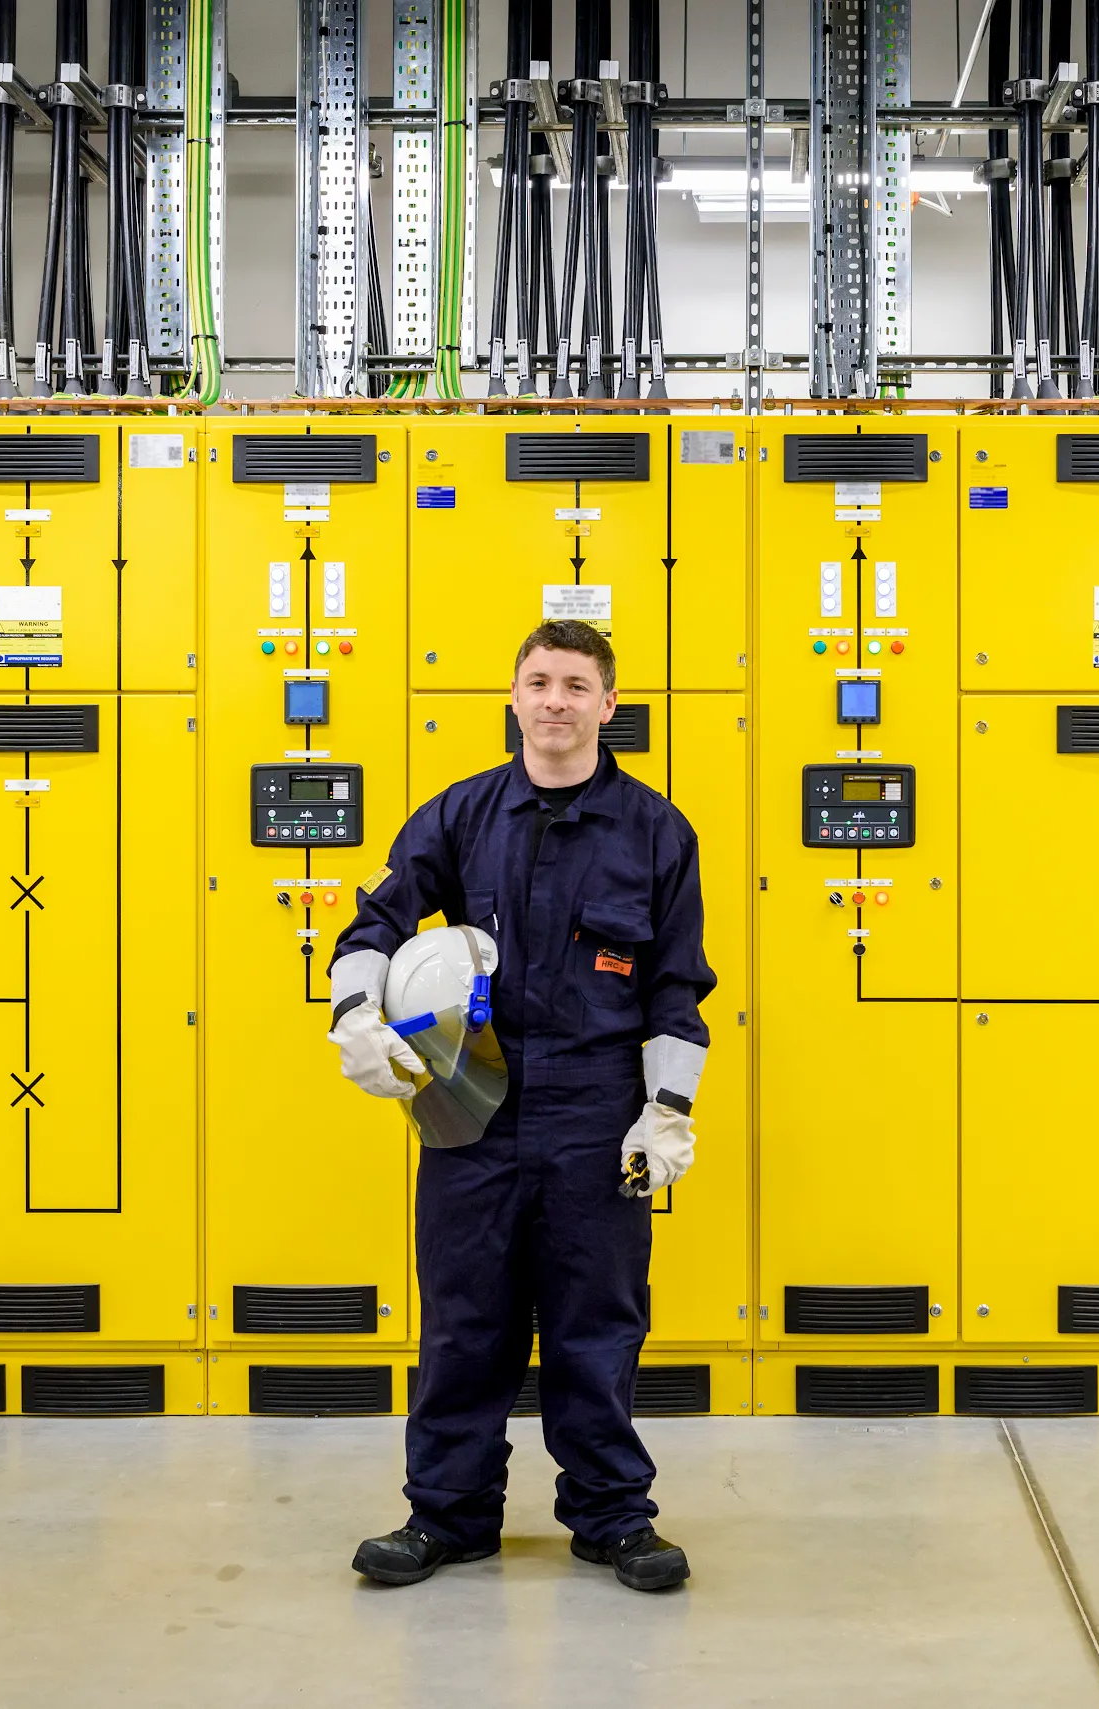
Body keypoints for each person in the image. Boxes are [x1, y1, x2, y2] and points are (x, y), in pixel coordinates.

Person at [329, 619, 713, 1592]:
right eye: (538, 681)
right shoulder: (460, 815)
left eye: (575, 684)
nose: (554, 700)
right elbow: (373, 920)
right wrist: (353, 1014)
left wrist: (666, 1108)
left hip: (596, 1118)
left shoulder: (657, 831)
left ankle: (612, 1517)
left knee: (599, 1323)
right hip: (472, 1108)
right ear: (512, 695)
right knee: (464, 1322)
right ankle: (447, 1516)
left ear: (606, 704)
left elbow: (675, 988)